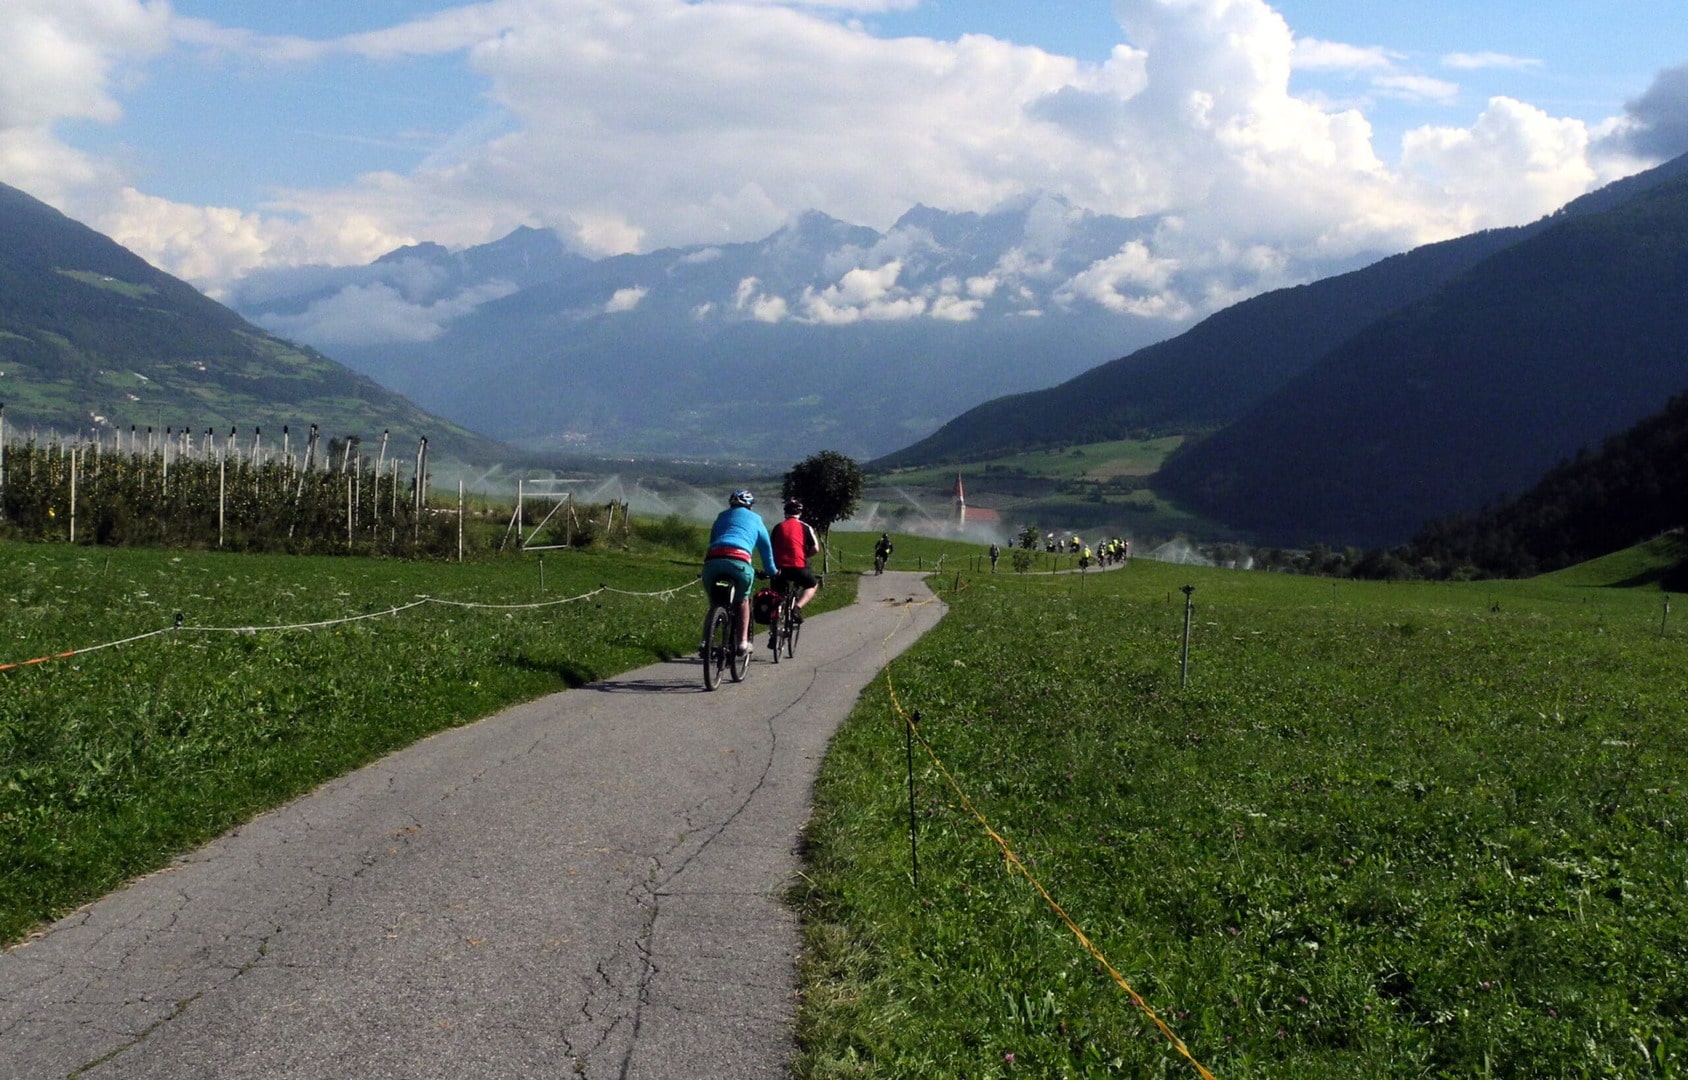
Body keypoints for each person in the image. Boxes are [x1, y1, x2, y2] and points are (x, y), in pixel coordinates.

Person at [701, 489, 777, 655]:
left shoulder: (721, 516)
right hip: (739, 562)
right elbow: (766, 549)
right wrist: (772, 571)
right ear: (750, 506)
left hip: (713, 561)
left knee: (714, 603)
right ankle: (742, 642)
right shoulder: (756, 520)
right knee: (742, 601)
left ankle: (705, 641)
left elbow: (713, 540)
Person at [770, 498, 820, 625]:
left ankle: (774, 627)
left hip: (779, 568)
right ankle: (797, 607)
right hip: (798, 566)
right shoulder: (805, 527)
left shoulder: (778, 527)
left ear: (785, 512)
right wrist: (805, 556)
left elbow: (771, 547)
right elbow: (815, 549)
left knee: (777, 595)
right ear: (800, 513)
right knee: (812, 585)